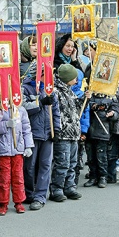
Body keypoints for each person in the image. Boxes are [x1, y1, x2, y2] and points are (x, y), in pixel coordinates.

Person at [21, 62, 61, 210]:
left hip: (47, 133)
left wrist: (56, 129)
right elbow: (22, 107)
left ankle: (40, 196)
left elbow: (56, 112)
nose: (49, 77)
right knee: (29, 166)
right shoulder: (25, 88)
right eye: (45, 74)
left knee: (45, 165)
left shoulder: (51, 91)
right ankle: (29, 192)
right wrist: (39, 102)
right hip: (32, 133)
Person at [50, 64, 85, 202]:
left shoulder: (70, 91)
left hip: (74, 133)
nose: (76, 80)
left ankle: (69, 186)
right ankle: (56, 188)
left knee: (72, 162)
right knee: (62, 162)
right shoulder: (56, 92)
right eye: (74, 78)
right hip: (63, 132)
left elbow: (76, 107)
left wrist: (84, 100)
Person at [0, 104, 34, 216]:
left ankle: (19, 202)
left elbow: (26, 128)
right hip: (2, 148)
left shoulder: (21, 110)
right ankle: (3, 203)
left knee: (18, 177)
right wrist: (5, 125)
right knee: (3, 178)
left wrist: (28, 145)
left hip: (17, 149)